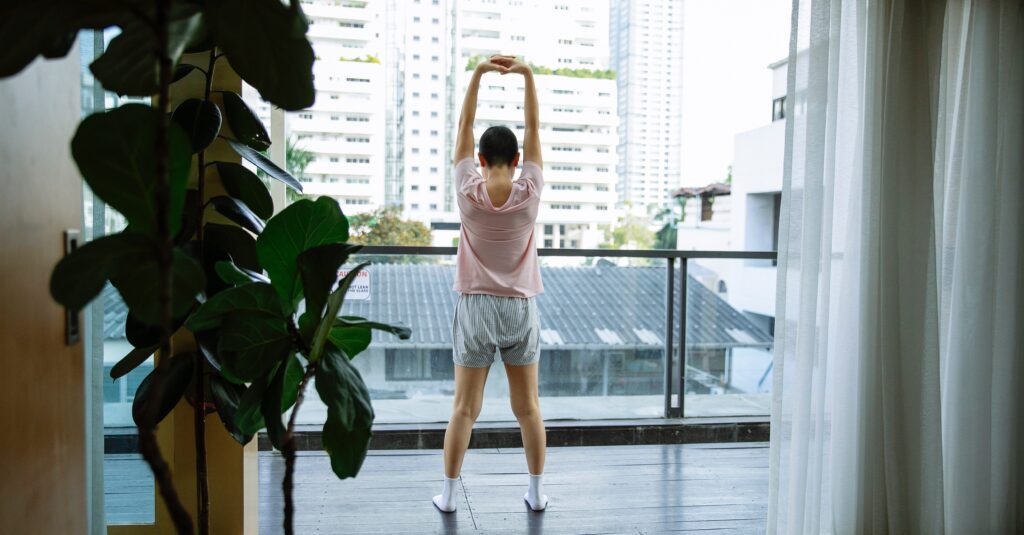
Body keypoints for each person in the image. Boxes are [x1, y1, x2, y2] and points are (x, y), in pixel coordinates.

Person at [432, 54, 549, 514]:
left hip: (476, 307)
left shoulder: (466, 189)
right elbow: (534, 127)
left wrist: (478, 72)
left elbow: (463, 123)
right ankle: (537, 495)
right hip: (520, 307)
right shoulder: (530, 192)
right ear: (517, 160)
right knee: (529, 408)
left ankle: (447, 496)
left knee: (464, 408)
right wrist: (527, 74)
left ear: (479, 160)